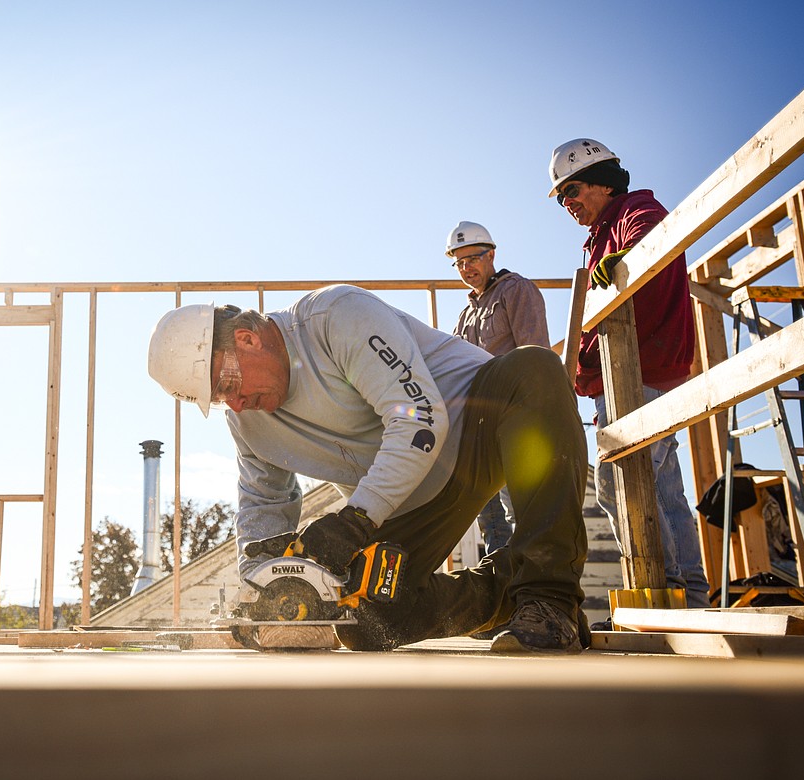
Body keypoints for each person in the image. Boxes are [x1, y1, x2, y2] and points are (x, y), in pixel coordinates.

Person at [147, 284, 590, 653]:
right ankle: (508, 595)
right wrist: (264, 594)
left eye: (228, 385)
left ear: (247, 337)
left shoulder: (336, 317)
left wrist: (355, 519)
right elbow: (264, 508)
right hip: (409, 498)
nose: (236, 404)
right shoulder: (247, 421)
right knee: (367, 617)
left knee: (534, 367)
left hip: (478, 424)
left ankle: (550, 597)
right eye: (222, 399)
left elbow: (418, 419)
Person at [548, 137, 710, 612]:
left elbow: (649, 236)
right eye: (561, 199)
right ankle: (692, 599)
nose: (568, 204)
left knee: (616, 483)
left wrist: (626, 259)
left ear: (603, 180)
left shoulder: (635, 211)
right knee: (663, 487)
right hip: (628, 374)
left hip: (635, 371)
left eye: (572, 190)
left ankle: (666, 596)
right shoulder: (599, 236)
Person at [448, 220, 550, 555]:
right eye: (459, 262)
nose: (467, 268)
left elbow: (535, 356)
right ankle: (501, 596)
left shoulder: (516, 291)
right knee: (490, 519)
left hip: (514, 420)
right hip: (477, 428)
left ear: (491, 254)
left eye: (473, 259)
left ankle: (532, 592)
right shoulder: (464, 316)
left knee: (520, 509)